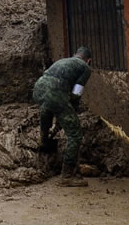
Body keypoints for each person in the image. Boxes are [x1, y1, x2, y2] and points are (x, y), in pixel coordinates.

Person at [32, 47, 93, 187]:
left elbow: (54, 101)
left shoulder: (64, 61)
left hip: (39, 88)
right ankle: (67, 175)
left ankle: (44, 140)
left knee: (47, 108)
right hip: (56, 93)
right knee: (75, 134)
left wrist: (57, 124)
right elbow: (76, 94)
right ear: (88, 60)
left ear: (75, 55)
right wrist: (73, 110)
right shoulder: (85, 68)